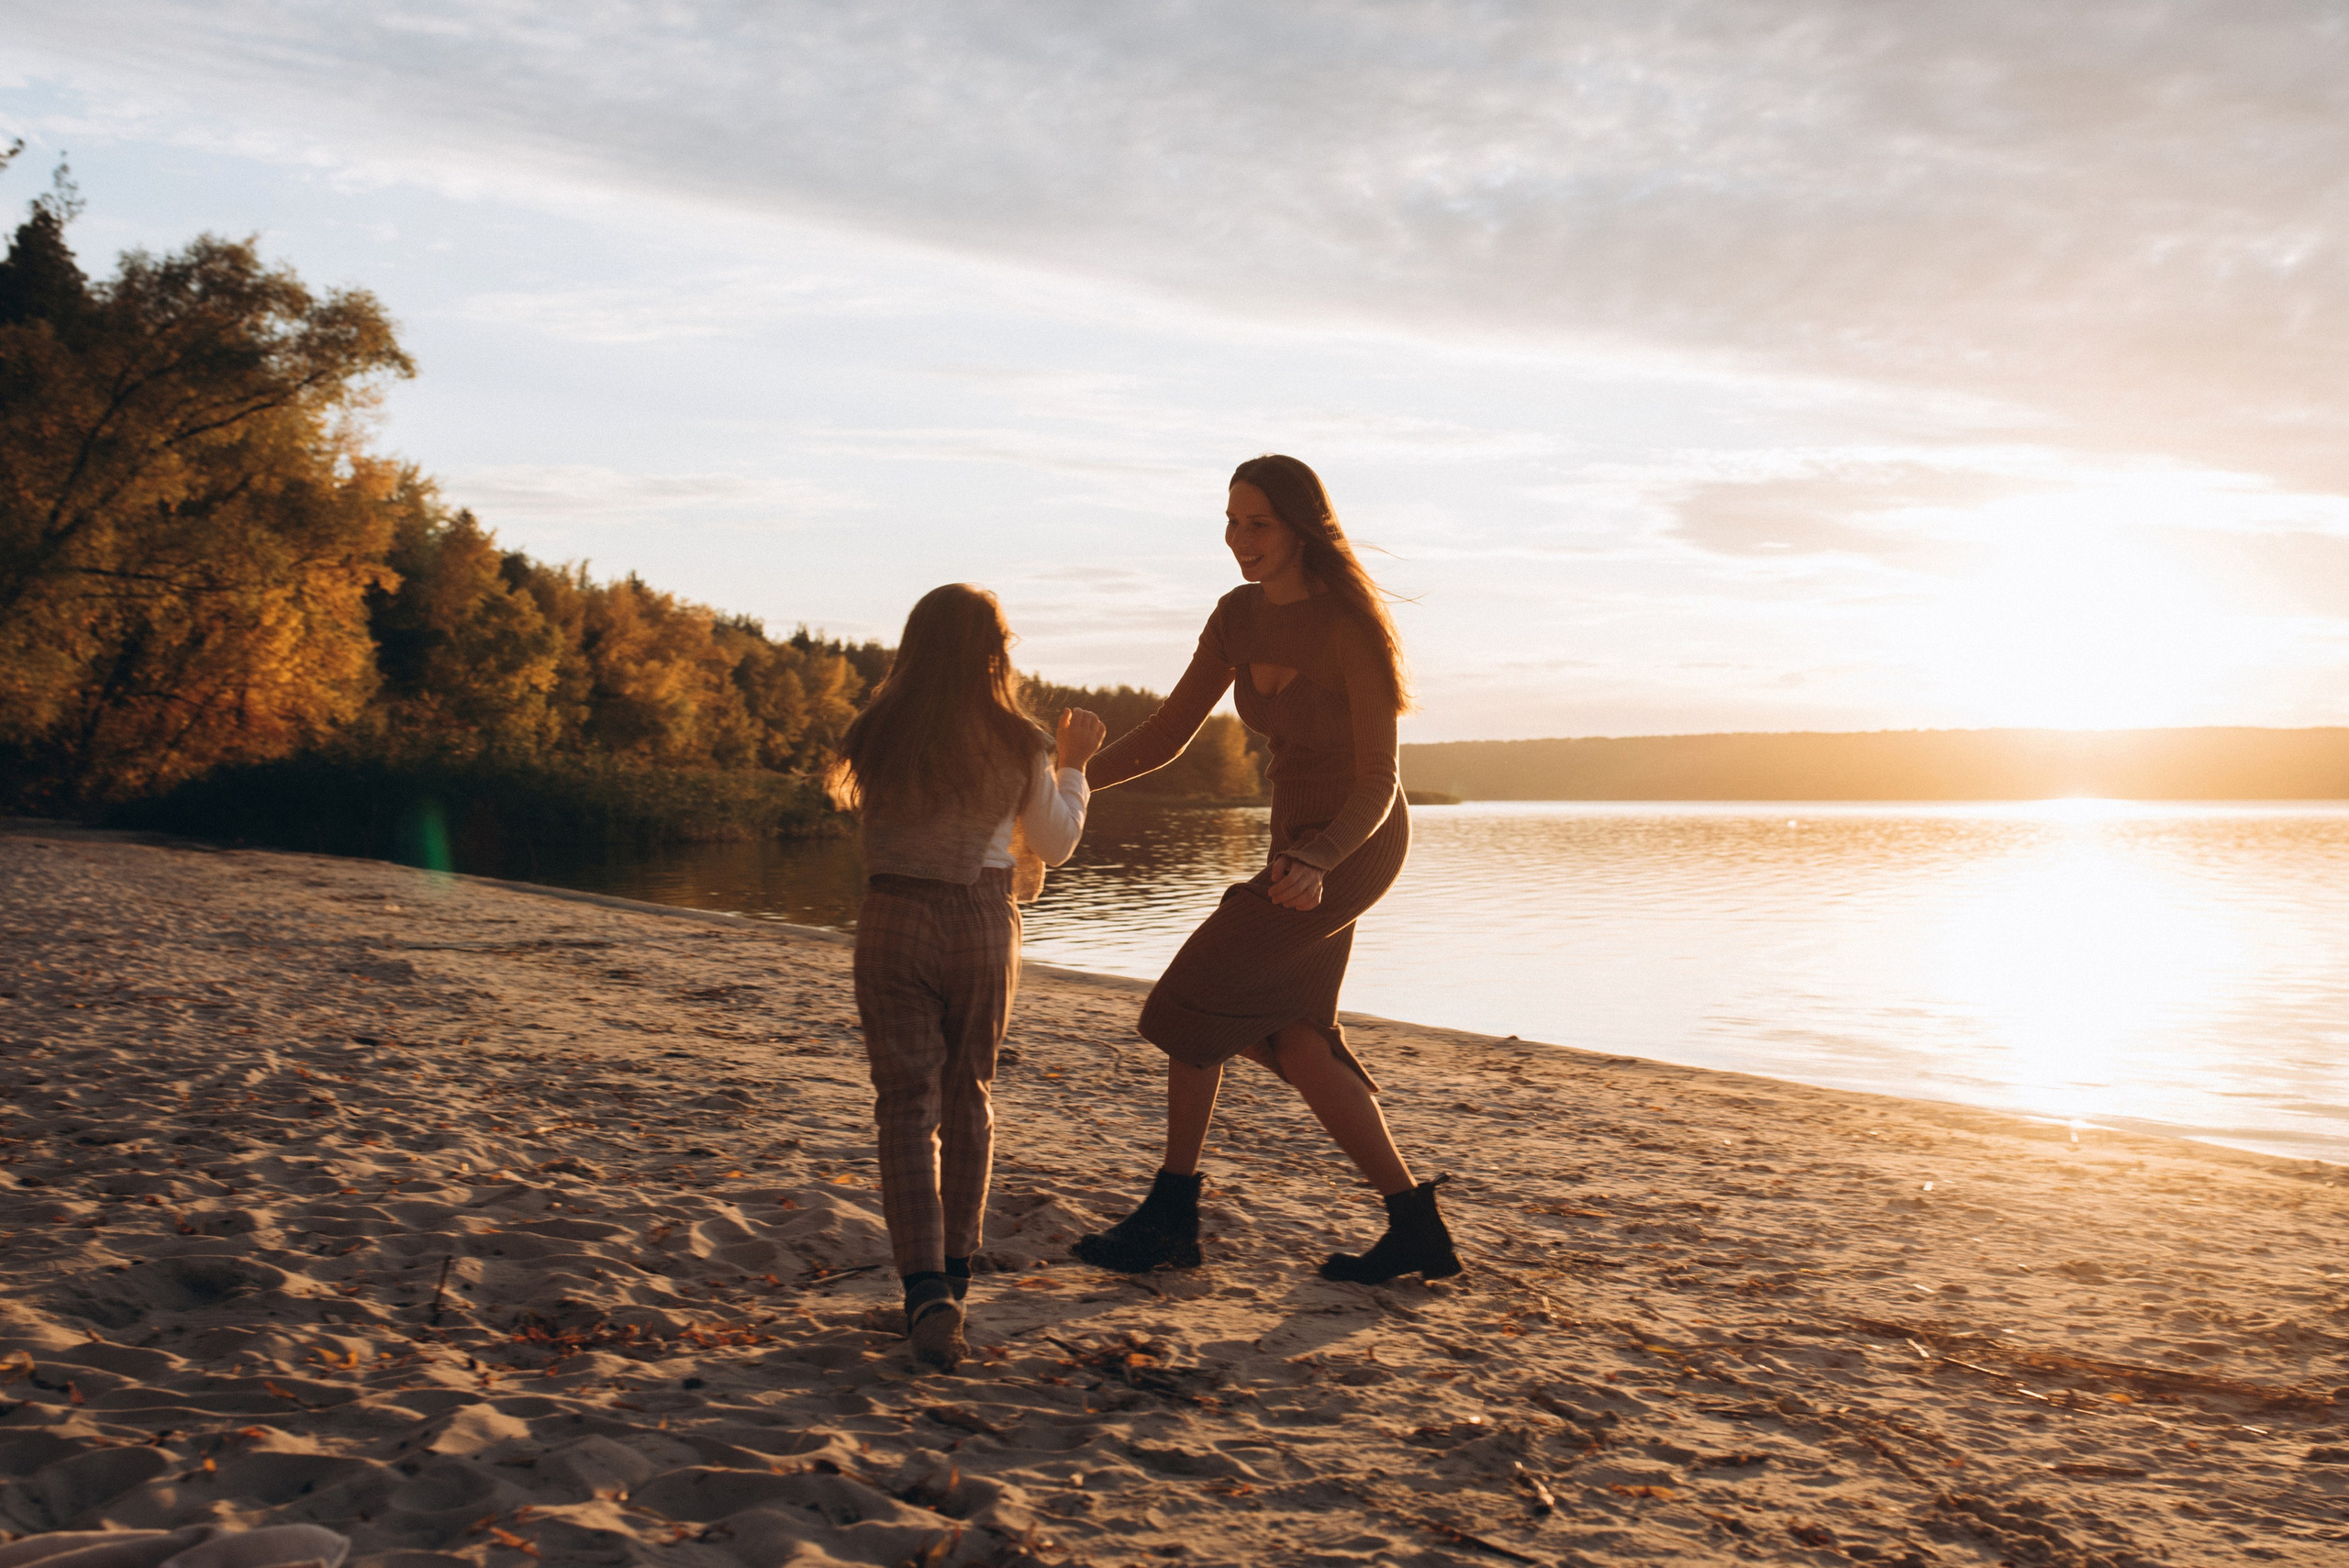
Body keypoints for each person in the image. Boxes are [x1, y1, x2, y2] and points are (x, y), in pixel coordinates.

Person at [1071, 455, 1460, 1284]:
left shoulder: (1349, 626)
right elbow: (1168, 732)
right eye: (1231, 521)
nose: (1238, 539)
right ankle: (1414, 1225)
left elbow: (1379, 780)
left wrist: (1321, 859)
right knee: (1298, 1038)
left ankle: (1172, 1215)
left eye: (1257, 523)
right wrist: (1067, 782)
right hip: (1294, 840)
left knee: (1194, 993)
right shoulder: (1236, 615)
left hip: (1354, 843)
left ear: (1299, 527)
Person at [830, 584, 1107, 1372]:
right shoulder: (1018, 739)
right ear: (996, 650)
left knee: (904, 1108)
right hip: (982, 922)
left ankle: (925, 1293)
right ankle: (954, 1279)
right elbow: (1054, 844)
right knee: (968, 1097)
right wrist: (1076, 766)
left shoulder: (875, 730)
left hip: (891, 920)